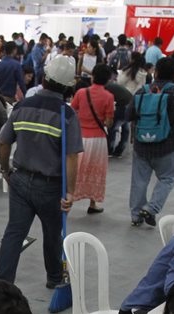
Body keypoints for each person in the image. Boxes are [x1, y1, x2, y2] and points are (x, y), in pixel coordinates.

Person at [0, 54, 82, 288]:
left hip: (20, 180)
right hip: (51, 187)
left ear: (44, 78)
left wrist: (5, 170)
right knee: (52, 235)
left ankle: (1, 285)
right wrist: (70, 192)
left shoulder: (22, 106)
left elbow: (3, 142)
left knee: (14, 233)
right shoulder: (66, 115)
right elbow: (71, 156)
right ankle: (54, 279)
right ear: (67, 87)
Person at [129, 57, 174, 227]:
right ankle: (151, 208)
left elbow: (130, 115)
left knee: (139, 181)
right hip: (166, 146)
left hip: (141, 145)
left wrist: (133, 135)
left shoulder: (142, 91)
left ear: (156, 72)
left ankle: (136, 215)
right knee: (167, 178)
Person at [69, 63, 112, 213]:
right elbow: (109, 122)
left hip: (80, 137)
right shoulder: (108, 97)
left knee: (75, 170)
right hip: (99, 140)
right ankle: (93, 204)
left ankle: (68, 201)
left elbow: (72, 110)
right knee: (96, 170)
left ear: (93, 77)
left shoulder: (81, 93)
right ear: (107, 80)